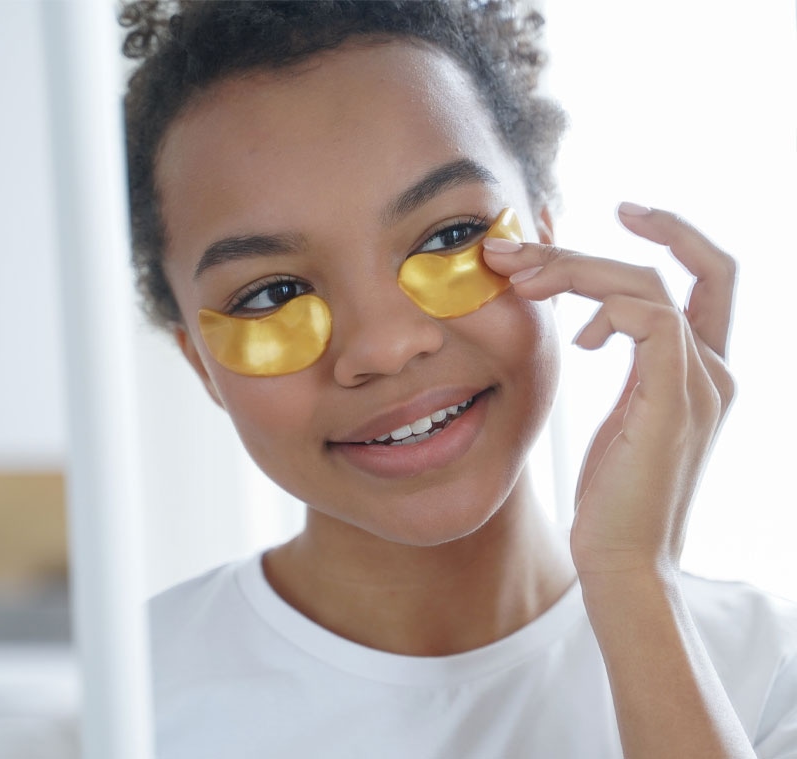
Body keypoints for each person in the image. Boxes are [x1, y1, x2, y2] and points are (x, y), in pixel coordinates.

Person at [119, 1, 797, 757]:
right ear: (199, 364)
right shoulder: (114, 708)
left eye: (450, 236)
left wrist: (632, 577)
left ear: (543, 237)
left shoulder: (769, 672)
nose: (386, 346)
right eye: (272, 294)